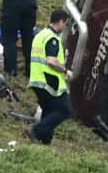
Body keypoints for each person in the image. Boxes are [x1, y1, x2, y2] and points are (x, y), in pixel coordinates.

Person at [27, 9, 73, 145]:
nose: (65, 27)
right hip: (48, 81)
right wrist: (65, 71)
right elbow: (51, 61)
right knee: (65, 110)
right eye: (65, 24)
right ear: (60, 21)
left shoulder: (40, 35)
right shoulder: (52, 38)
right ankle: (37, 131)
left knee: (49, 110)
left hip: (37, 79)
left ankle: (45, 140)